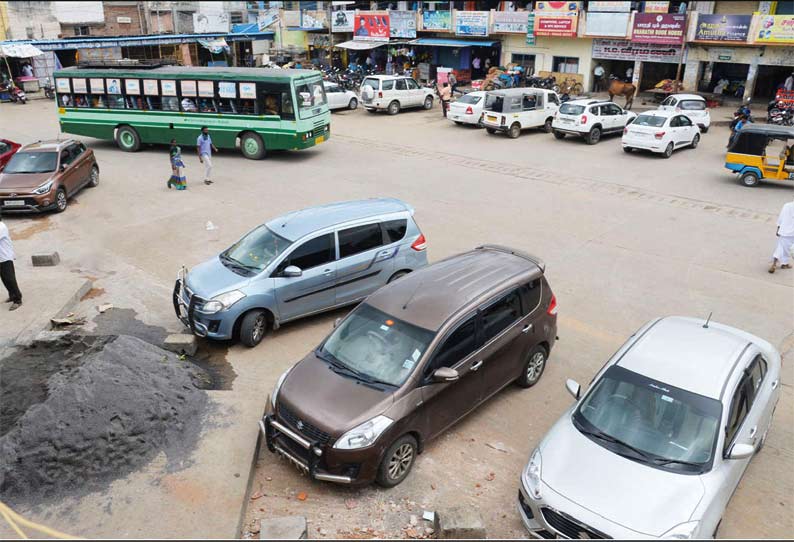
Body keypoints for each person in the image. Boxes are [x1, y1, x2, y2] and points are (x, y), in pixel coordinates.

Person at [0, 213, 22, 311]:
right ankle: (12, 295)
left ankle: (17, 299)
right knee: (4, 278)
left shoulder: (1, 227)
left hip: (5, 257)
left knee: (10, 278)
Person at [769, 198, 794, 273]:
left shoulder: (786, 205)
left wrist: (778, 228)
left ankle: (775, 264)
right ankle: (784, 264)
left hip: (783, 230)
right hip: (792, 232)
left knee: (780, 248)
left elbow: (781, 217)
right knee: (788, 249)